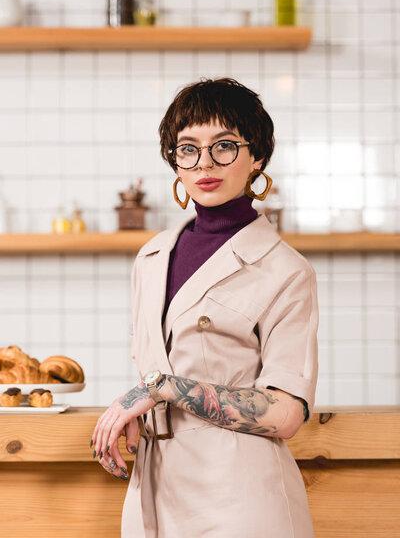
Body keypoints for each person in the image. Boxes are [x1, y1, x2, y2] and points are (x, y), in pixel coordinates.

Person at [90, 77, 319, 537]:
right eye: (188, 148)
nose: (205, 163)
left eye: (225, 146)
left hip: (239, 499)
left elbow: (286, 413)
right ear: (174, 161)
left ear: (257, 158)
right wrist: (138, 408)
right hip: (153, 491)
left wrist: (160, 388)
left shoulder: (286, 270)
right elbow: (158, 367)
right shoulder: (152, 256)